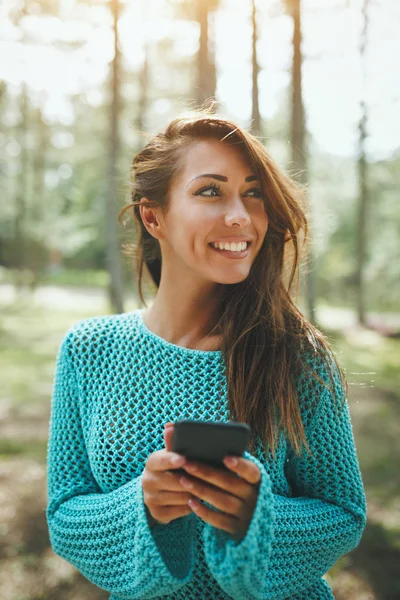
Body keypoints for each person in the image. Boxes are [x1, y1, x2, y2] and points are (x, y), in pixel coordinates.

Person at [46, 104, 367, 600]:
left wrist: (254, 516)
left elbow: (344, 514)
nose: (240, 216)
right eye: (210, 191)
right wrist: (145, 506)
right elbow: (65, 515)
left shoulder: (299, 357)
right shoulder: (89, 351)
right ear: (154, 216)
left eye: (253, 193)